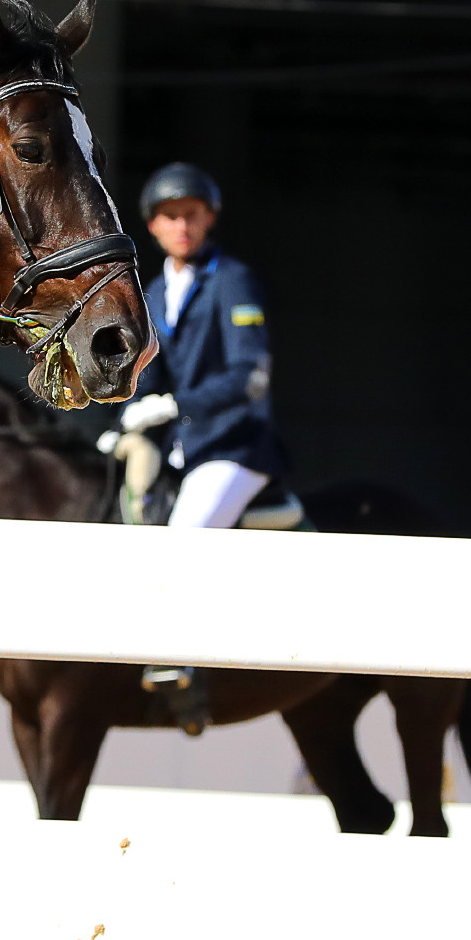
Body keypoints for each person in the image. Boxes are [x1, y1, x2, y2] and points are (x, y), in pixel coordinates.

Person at [115, 161, 288, 730]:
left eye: (191, 214)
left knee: (184, 537)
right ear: (153, 225)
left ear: (209, 217)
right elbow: (151, 370)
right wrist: (130, 419)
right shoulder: (156, 290)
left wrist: (175, 407)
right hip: (184, 446)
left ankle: (177, 664)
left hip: (235, 446)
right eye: (170, 216)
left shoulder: (232, 280)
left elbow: (249, 376)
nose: (181, 225)